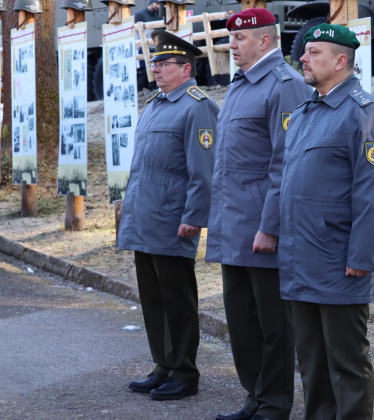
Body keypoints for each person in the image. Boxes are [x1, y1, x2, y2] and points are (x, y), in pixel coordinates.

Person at [279, 23, 374, 420]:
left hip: (339, 259)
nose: (303, 59)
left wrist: (362, 256)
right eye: (305, 52)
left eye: (313, 52)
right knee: (311, 362)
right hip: (301, 256)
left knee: (346, 362)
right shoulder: (304, 112)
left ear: (340, 60)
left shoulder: (365, 113)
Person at [206, 9, 311, 420]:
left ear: (265, 41)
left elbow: (285, 164)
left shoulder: (284, 86)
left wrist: (271, 227)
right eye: (231, 39)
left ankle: (274, 404)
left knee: (273, 326)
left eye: (239, 40)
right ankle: (254, 396)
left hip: (262, 229)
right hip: (233, 225)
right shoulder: (239, 85)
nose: (231, 46)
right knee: (242, 322)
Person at [118, 30, 218, 401]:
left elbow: (203, 170)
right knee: (154, 299)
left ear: (186, 68)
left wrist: (194, 215)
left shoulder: (197, 106)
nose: (155, 69)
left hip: (174, 220)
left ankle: (184, 372)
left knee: (177, 301)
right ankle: (163, 365)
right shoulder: (157, 105)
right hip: (146, 218)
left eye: (164, 64)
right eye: (154, 63)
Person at [134, 0, 161, 91]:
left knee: (153, 71)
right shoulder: (140, 14)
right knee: (143, 72)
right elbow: (135, 31)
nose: (158, 6)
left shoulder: (157, 17)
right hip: (142, 47)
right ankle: (137, 92)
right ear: (151, 3)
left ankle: (151, 92)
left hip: (154, 48)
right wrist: (137, 45)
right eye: (157, 4)